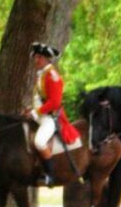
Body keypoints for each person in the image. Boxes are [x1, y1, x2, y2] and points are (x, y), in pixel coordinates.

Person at [24, 42, 80, 187]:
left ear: (46, 59)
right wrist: (31, 109)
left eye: (38, 57)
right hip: (40, 115)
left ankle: (50, 175)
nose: (36, 61)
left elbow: (54, 102)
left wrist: (36, 112)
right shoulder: (42, 74)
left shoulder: (52, 76)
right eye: (35, 58)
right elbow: (41, 98)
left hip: (50, 117)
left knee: (39, 141)